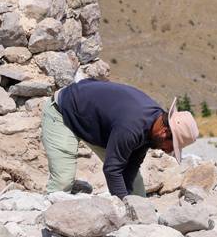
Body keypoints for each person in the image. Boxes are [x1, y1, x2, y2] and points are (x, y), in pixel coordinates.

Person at [41, 79, 199, 198]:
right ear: (164, 132)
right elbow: (112, 169)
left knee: (135, 187)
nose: (168, 151)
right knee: (63, 180)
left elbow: (131, 165)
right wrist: (124, 204)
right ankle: (49, 220)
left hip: (93, 120)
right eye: (172, 145)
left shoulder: (153, 127)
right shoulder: (132, 126)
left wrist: (134, 203)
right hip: (62, 112)